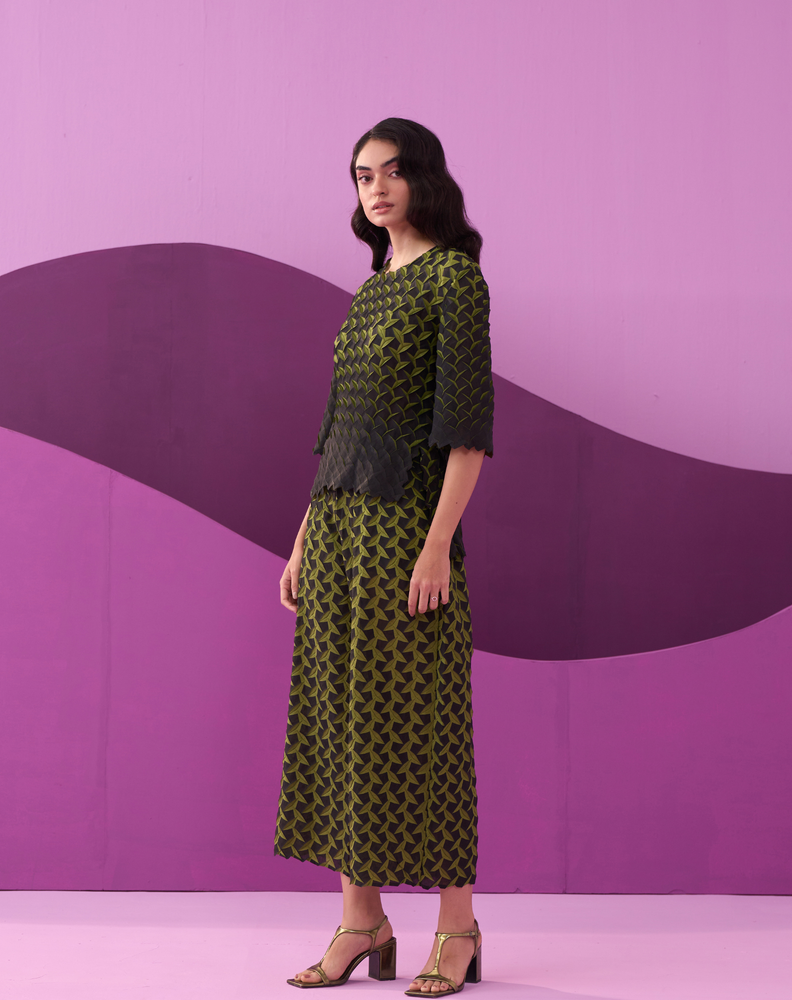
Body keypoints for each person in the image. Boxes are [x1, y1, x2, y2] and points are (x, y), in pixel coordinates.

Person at [275, 117, 494, 995]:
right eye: (363, 175)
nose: (376, 187)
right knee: (340, 722)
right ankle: (360, 920)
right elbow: (341, 432)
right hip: (337, 537)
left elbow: (467, 433)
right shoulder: (370, 291)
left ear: (424, 178)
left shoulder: (454, 280)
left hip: (405, 537)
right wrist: (303, 536)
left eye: (393, 171)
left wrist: (436, 548)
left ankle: (457, 927)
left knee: (427, 727)